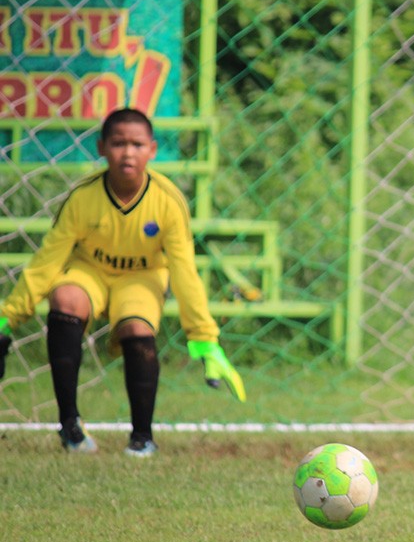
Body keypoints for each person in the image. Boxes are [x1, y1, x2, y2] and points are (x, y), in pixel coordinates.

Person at [0, 108, 246, 457]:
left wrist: (204, 339)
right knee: (66, 298)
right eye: (118, 143)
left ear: (152, 150)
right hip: (90, 272)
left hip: (142, 277)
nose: (127, 152)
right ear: (101, 147)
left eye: (136, 144)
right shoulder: (83, 197)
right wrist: (7, 318)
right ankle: (69, 424)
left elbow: (184, 271)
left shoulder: (168, 201)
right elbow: (48, 260)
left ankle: (142, 437)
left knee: (136, 327)